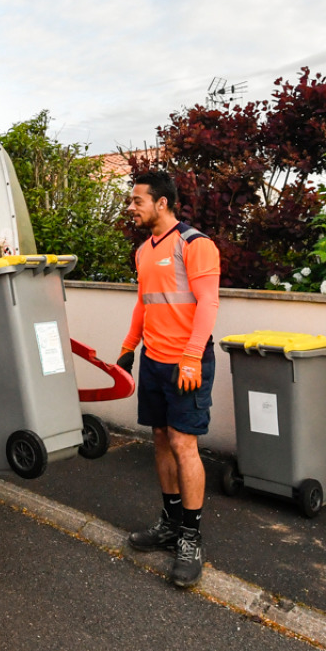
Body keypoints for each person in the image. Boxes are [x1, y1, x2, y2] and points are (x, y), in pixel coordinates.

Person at [115, 169, 220, 587]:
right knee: (160, 438)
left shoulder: (196, 245)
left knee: (183, 443)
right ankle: (171, 524)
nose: (130, 207)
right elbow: (144, 304)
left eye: (137, 200)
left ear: (162, 203)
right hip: (154, 360)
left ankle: (191, 539)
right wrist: (127, 348)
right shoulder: (143, 251)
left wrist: (192, 356)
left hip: (187, 362)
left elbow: (209, 304)